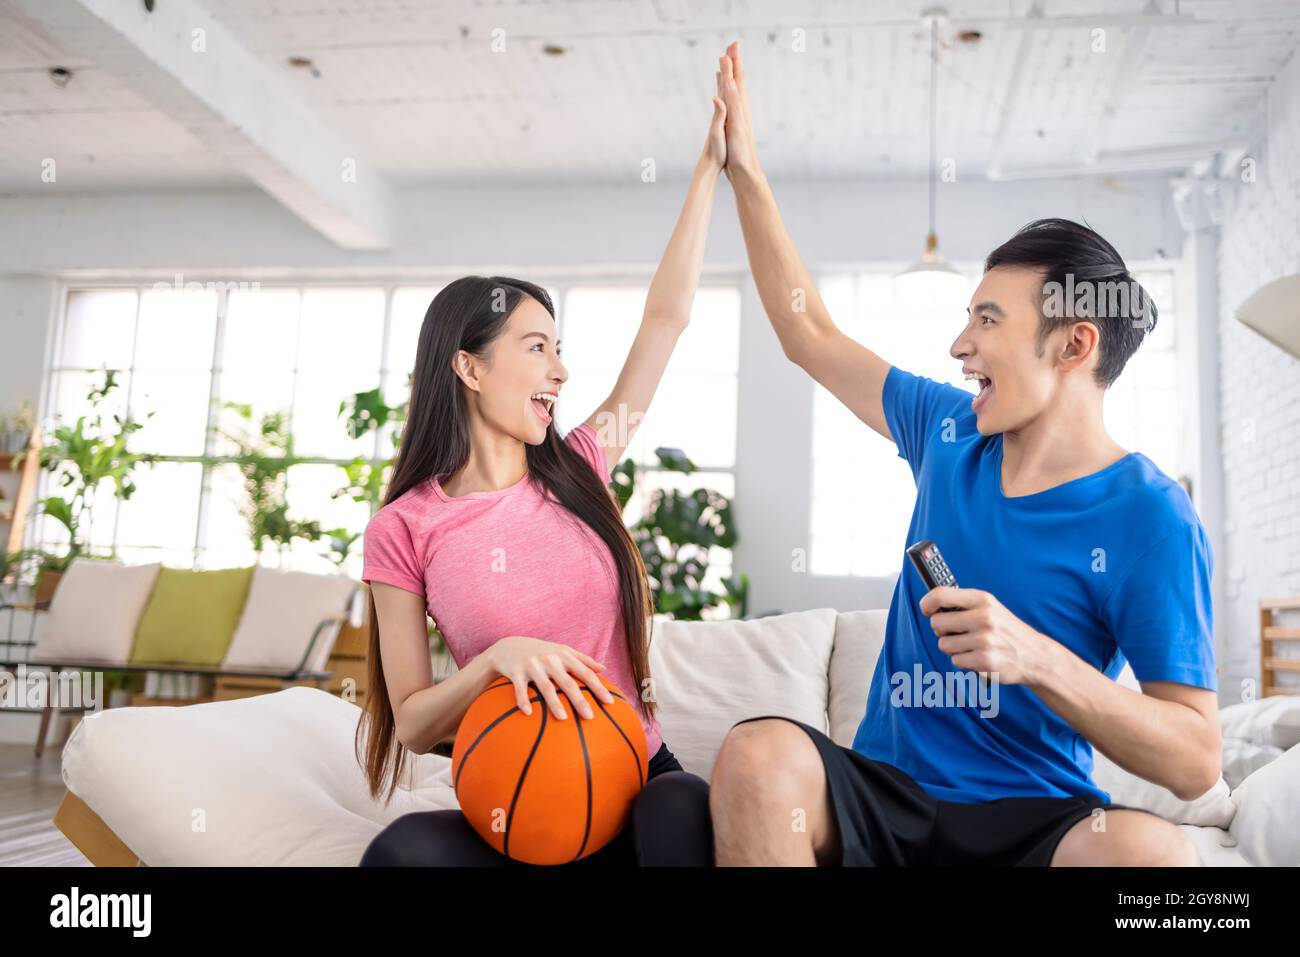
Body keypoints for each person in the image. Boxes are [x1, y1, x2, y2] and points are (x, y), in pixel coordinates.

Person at [702, 40, 1219, 866]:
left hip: (1035, 817)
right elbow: (809, 333)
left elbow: (1195, 758)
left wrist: (1038, 658)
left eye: (987, 321)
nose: (957, 345)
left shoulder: (1150, 516)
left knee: (1158, 860)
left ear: (1073, 343)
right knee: (758, 754)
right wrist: (747, 173)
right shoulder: (948, 430)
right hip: (886, 797)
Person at [354, 84, 732, 868]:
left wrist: (707, 170)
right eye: (536, 347)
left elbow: (665, 321)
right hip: (514, 799)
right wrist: (497, 657)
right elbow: (417, 721)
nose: (560, 369)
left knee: (685, 812)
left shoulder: (583, 464)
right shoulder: (404, 528)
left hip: (629, 781)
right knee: (400, 854)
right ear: (467, 365)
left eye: (558, 348)